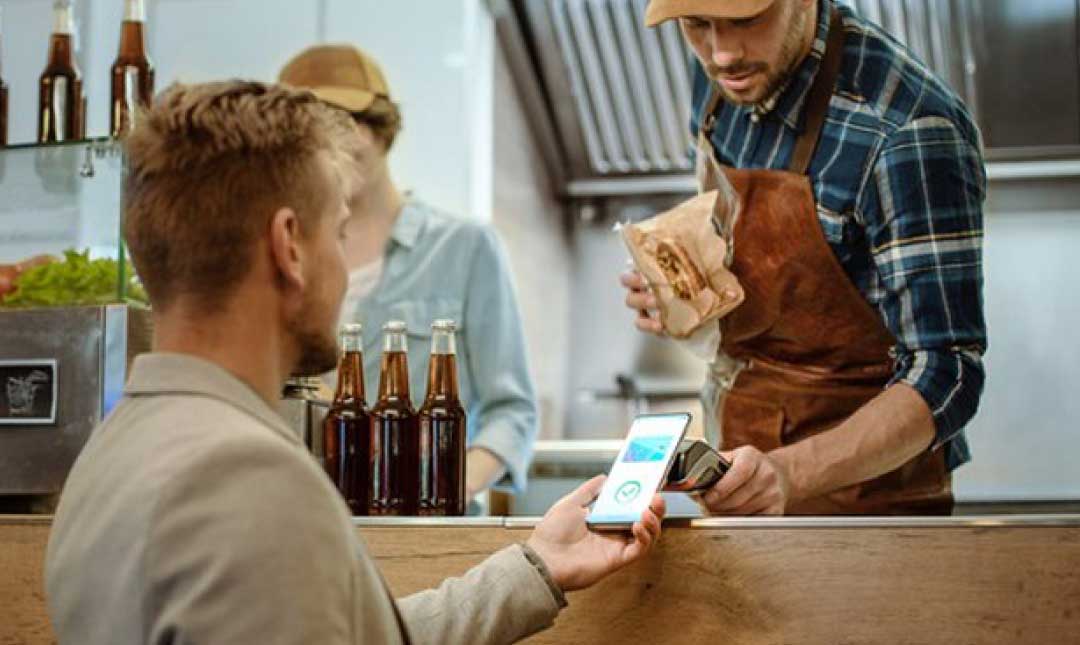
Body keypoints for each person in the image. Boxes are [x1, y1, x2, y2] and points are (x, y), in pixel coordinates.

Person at [44, 80, 665, 645]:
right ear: (289, 246)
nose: (348, 271)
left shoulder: (107, 455)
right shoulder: (249, 477)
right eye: (339, 234)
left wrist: (536, 568)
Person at [622, 0, 987, 515]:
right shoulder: (721, 75)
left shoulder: (905, 130)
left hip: (866, 510)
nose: (723, 53)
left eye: (747, 22)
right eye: (697, 25)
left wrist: (788, 473)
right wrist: (687, 285)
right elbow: (746, 240)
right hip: (737, 465)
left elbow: (947, 372)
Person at [278, 45, 537, 505]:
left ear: (379, 130)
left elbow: (511, 410)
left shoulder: (466, 248)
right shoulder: (286, 255)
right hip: (314, 514)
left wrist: (446, 488)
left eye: (343, 124)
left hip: (428, 526)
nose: (329, 150)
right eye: (308, 136)